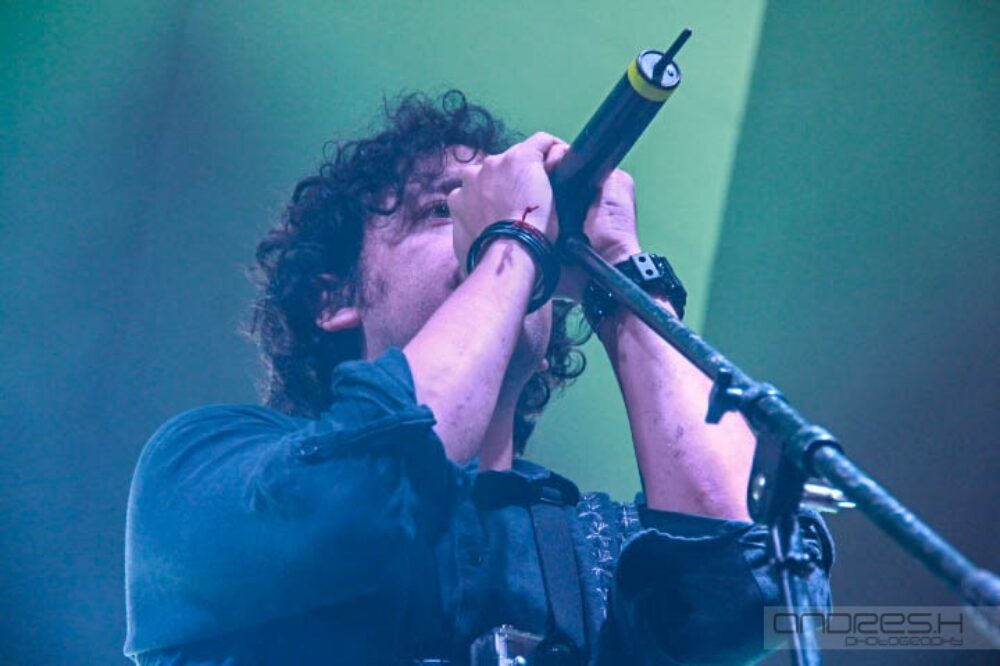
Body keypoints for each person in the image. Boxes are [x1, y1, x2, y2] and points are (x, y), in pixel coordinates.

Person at [124, 91, 833, 665]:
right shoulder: (202, 464)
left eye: (502, 217)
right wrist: (514, 234)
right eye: (445, 210)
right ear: (335, 298)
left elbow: (750, 583)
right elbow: (366, 491)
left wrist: (621, 269)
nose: (496, 232)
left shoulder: (598, 545)